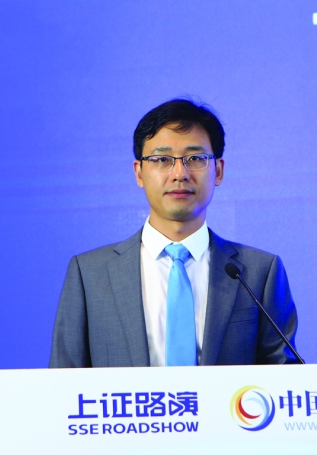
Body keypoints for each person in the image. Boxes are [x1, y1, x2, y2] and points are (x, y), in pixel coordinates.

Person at [49, 99, 298, 367]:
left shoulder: (259, 272)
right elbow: (63, 379)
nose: (180, 174)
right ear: (139, 173)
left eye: (195, 159)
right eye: (162, 160)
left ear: (218, 171)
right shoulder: (89, 275)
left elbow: (285, 379)